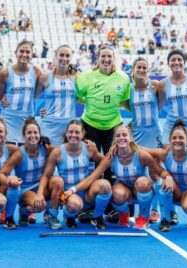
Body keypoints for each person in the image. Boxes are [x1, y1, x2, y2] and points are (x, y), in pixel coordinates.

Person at [68, 125, 171, 229]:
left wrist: (168, 177)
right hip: (124, 193)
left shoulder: (141, 155)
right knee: (116, 192)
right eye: (118, 136)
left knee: (143, 182)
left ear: (130, 138)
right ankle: (124, 214)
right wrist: (73, 190)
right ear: (115, 139)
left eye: (124, 135)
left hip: (141, 191)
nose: (121, 138)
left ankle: (144, 217)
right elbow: (93, 177)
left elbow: (159, 170)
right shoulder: (111, 156)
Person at [76, 45, 130, 222]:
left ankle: (112, 208)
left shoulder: (123, 78)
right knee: (89, 165)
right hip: (90, 125)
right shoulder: (87, 77)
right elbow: (76, 96)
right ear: (97, 59)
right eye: (103, 57)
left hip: (113, 127)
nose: (106, 60)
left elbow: (123, 101)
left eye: (109, 57)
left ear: (114, 59)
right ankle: (88, 207)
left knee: (112, 165)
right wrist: (90, 104)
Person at [36, 120, 111, 230]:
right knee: (73, 203)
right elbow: (46, 176)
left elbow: (106, 161)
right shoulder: (57, 152)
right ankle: (62, 216)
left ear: (82, 134)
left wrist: (117, 150)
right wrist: (39, 193)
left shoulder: (89, 148)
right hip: (66, 195)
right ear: (66, 133)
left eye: (77, 132)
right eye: (70, 132)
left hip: (87, 193)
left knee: (105, 185)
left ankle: (97, 217)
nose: (73, 135)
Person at [0, 117, 55, 229]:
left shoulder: (46, 148)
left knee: (58, 182)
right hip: (25, 190)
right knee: (39, 205)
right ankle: (24, 211)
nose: (33, 135)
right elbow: (0, 175)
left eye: (35, 132)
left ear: (40, 135)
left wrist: (87, 145)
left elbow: (64, 151)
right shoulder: (19, 154)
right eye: (29, 133)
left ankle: (52, 215)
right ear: (24, 136)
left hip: (41, 186)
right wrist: (9, 181)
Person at [125, 57, 164, 223]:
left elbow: (160, 106)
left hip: (154, 133)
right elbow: (129, 107)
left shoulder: (155, 86)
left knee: (155, 172)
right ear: (133, 70)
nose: (141, 70)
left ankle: (155, 210)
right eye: (138, 67)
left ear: (148, 70)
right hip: (137, 135)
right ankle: (140, 207)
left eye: (144, 67)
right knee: (139, 173)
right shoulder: (128, 90)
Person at [0, 40, 47, 145]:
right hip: (9, 119)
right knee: (9, 153)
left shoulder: (36, 71)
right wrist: (2, 99)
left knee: (25, 156)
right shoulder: (6, 73)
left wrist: (48, 107)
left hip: (28, 120)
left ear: (32, 54)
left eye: (28, 52)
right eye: (22, 51)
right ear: (16, 53)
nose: (24, 54)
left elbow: (49, 86)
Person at [39, 45, 77, 146]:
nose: (64, 58)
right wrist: (5, 98)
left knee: (66, 159)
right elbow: (30, 96)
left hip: (69, 128)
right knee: (49, 158)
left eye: (67, 55)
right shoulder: (45, 77)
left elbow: (83, 98)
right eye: (61, 55)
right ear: (55, 56)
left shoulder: (75, 77)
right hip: (49, 127)